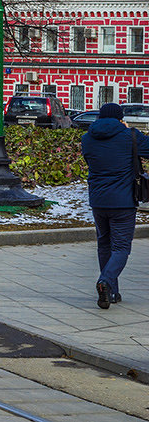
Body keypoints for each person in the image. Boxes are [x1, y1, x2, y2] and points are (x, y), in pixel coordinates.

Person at [81, 102, 149, 308]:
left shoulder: (87, 138)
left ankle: (112, 293)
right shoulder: (130, 136)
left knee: (104, 244)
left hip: (98, 201)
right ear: (120, 118)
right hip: (123, 202)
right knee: (120, 247)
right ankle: (105, 281)